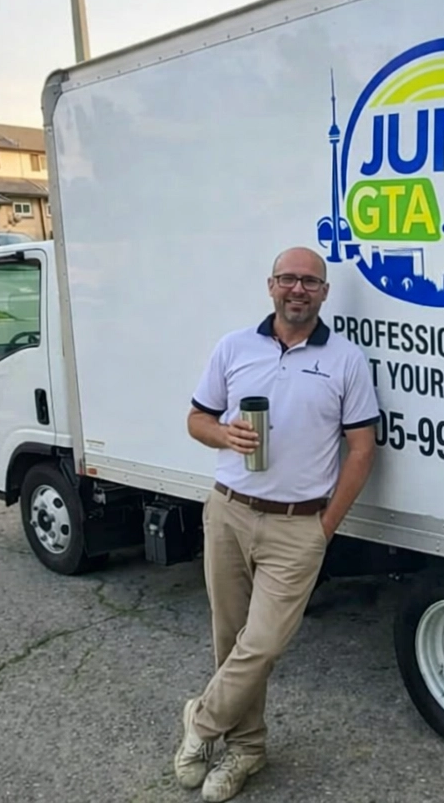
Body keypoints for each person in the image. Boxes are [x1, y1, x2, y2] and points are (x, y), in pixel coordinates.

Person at [174, 247, 379, 801]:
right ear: (270, 286)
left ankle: (202, 720)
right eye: (288, 279)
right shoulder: (234, 347)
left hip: (298, 527)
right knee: (229, 640)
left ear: (324, 293)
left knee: (261, 645)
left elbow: (362, 448)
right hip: (228, 511)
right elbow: (197, 418)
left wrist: (326, 526)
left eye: (310, 282)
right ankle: (246, 749)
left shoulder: (344, 360)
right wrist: (223, 435)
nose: (298, 289)